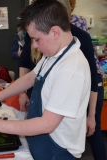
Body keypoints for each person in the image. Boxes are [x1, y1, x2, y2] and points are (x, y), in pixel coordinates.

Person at [0, 0, 91, 159]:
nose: (35, 46)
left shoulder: (71, 68)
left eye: (36, 39)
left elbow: (47, 124)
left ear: (55, 32)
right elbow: (29, 78)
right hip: (42, 144)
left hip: (58, 152)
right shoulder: (54, 54)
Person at [69, 0, 107, 160]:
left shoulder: (70, 25)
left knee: (91, 128)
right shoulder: (78, 20)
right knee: (91, 130)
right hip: (91, 79)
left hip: (89, 80)